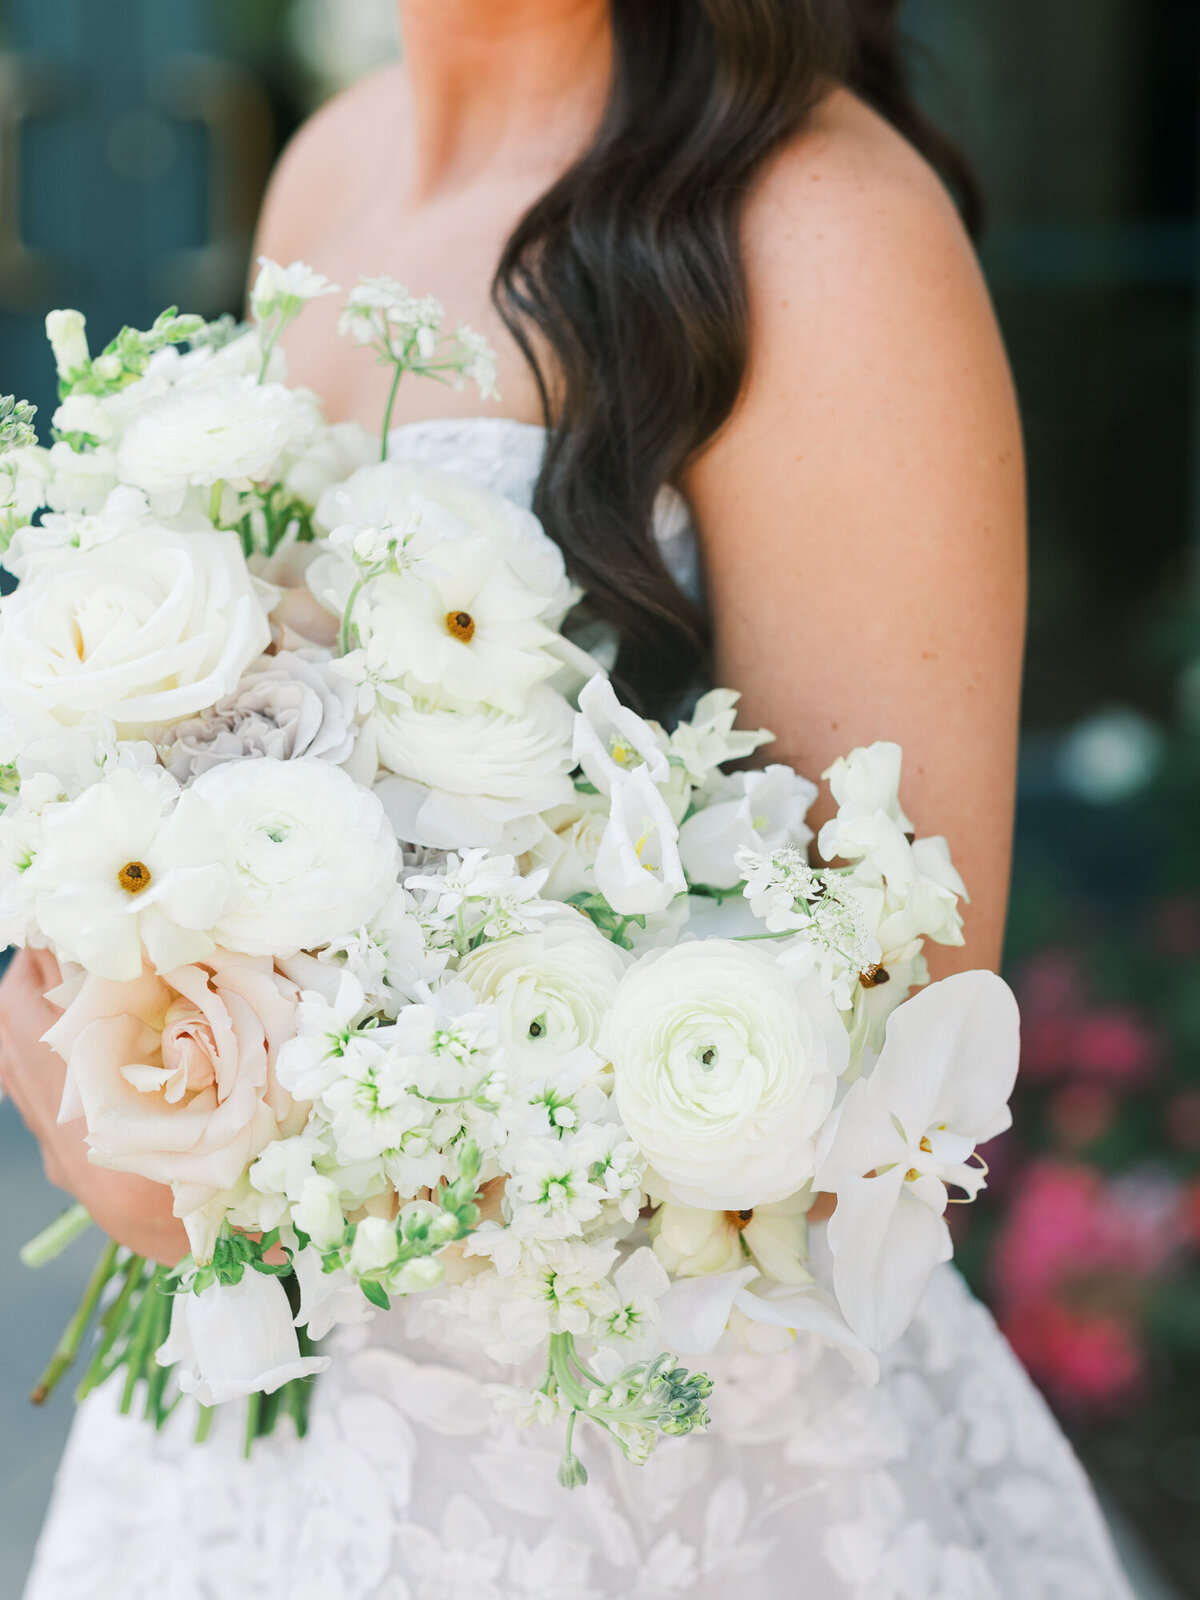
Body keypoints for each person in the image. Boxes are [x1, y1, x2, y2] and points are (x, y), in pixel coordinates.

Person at [3, 3, 1136, 1595]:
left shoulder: (823, 234)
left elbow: (887, 1044)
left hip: (631, 1482)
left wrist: (250, 1171)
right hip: (259, 1445)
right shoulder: (333, 165)